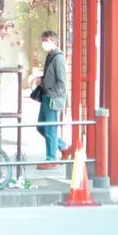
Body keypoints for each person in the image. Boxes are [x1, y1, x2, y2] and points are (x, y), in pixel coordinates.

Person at [32, 30, 70, 170]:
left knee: (50, 129)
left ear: (54, 41)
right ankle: (63, 147)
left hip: (53, 99)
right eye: (43, 40)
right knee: (41, 127)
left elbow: (62, 83)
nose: (44, 43)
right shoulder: (50, 56)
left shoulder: (58, 58)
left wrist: (52, 93)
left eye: (46, 40)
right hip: (46, 97)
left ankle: (51, 158)